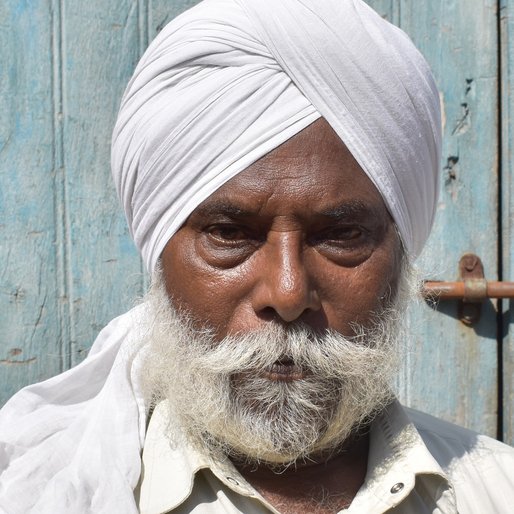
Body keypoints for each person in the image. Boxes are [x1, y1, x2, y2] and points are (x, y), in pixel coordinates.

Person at [0, 0, 513, 513]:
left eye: (342, 234)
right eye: (228, 234)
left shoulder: (496, 491)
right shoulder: (41, 491)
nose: (288, 294)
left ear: (402, 255)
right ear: (159, 257)